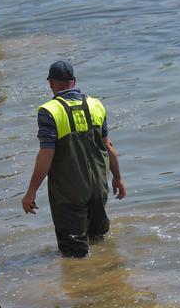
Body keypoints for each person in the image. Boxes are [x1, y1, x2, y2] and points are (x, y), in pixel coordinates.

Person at [21, 61, 127, 258]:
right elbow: (108, 145)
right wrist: (118, 178)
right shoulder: (96, 104)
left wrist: (31, 192)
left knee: (74, 256)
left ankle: (84, 287)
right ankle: (109, 280)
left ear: (51, 83)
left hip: (69, 194)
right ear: (74, 81)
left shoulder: (49, 111)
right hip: (98, 189)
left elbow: (46, 154)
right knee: (100, 244)